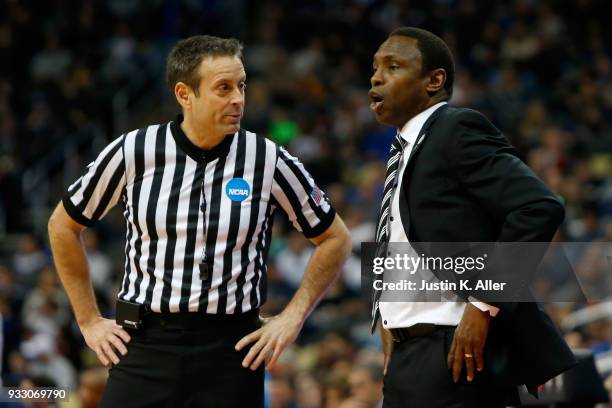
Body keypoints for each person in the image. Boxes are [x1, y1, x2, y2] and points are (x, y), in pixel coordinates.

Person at [47, 35, 351, 407]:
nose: (238, 98)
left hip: (232, 349)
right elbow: (63, 225)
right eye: (223, 88)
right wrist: (89, 321)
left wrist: (294, 316)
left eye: (241, 86)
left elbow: (336, 238)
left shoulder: (267, 159)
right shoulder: (134, 151)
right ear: (184, 94)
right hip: (144, 342)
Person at [368, 27, 576, 407]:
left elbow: (538, 206)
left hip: (455, 349)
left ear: (434, 80)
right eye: (376, 68)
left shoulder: (454, 128)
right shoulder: (406, 149)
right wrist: (389, 314)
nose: (376, 77)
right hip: (409, 353)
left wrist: (483, 303)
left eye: (393, 66)